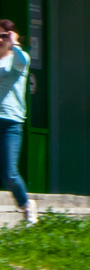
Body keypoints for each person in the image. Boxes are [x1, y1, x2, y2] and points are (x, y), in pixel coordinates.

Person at [0, 20, 34, 225]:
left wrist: (14, 44)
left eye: (4, 35)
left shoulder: (19, 59)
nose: (0, 39)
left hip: (10, 123)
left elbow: (22, 57)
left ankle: (26, 205)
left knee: (10, 175)